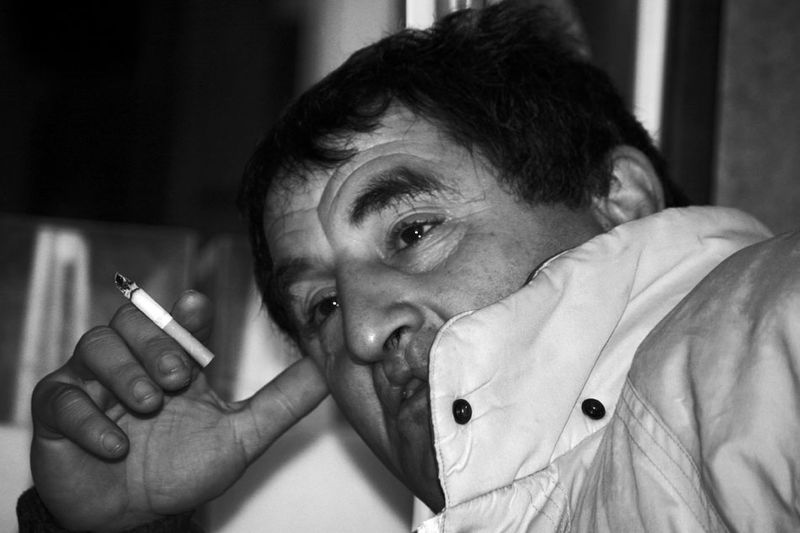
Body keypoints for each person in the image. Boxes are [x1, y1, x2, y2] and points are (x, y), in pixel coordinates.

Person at [18, 1, 800, 531]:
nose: (362, 331)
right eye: (321, 306)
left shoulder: (775, 342)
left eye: (413, 231)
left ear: (618, 199)